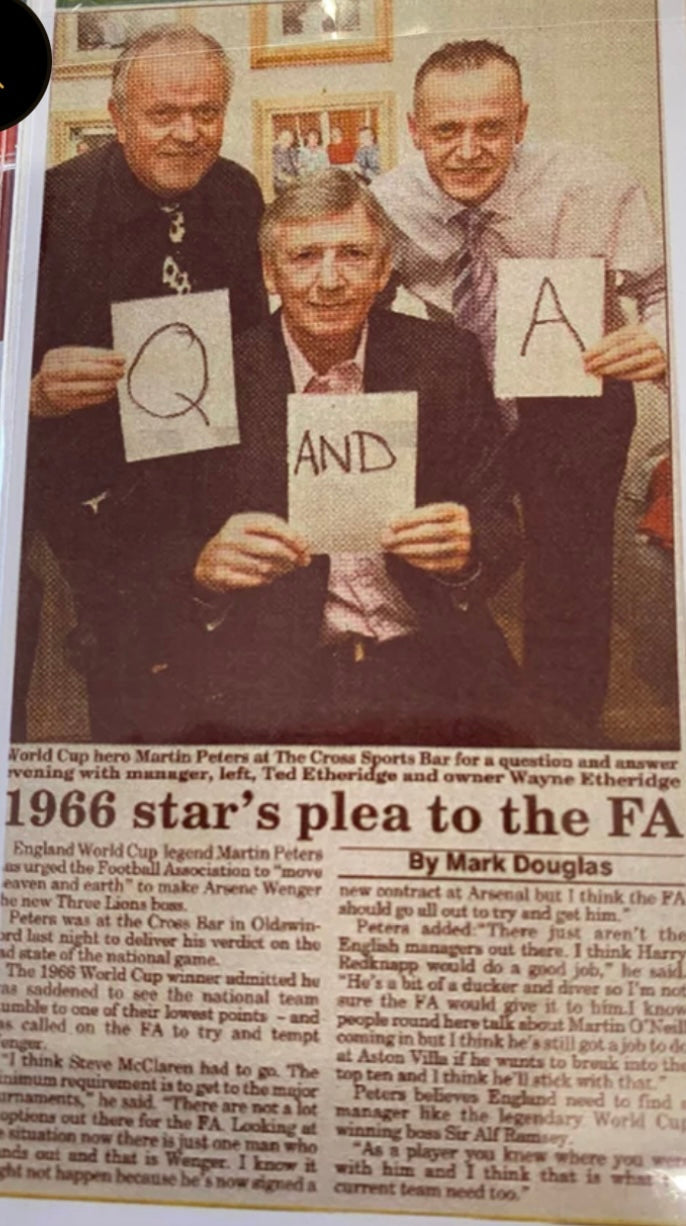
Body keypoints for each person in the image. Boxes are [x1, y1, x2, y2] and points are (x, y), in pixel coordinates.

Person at [128, 170, 527, 745]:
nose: (330, 280)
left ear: (384, 268)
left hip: (430, 661)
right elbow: (144, 542)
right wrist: (202, 569)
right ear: (270, 273)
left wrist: (469, 549)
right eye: (305, 256)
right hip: (266, 677)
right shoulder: (205, 372)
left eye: (354, 254)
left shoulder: (445, 359)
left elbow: (498, 521)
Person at [372, 40, 667, 739]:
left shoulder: (594, 184)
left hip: (576, 391)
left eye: (491, 129)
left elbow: (662, 289)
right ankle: (477, 717)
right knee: (442, 550)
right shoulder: (387, 203)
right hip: (466, 392)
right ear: (415, 129)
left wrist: (662, 339)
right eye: (446, 130)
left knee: (571, 571)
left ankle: (567, 737)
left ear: (521, 121)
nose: (469, 149)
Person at [22, 24, 268, 739]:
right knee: (125, 678)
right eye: (164, 114)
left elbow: (252, 342)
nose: (189, 132)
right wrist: (31, 390)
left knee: (224, 670)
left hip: (208, 473)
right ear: (118, 116)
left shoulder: (239, 193)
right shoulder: (46, 207)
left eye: (207, 111)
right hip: (91, 491)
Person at [272, 127, 300, 192]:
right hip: (281, 187)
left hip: (294, 185)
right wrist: (289, 179)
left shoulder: (292, 151)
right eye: (285, 138)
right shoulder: (274, 152)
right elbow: (276, 173)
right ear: (279, 138)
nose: (289, 140)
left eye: (290, 138)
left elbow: (296, 167)